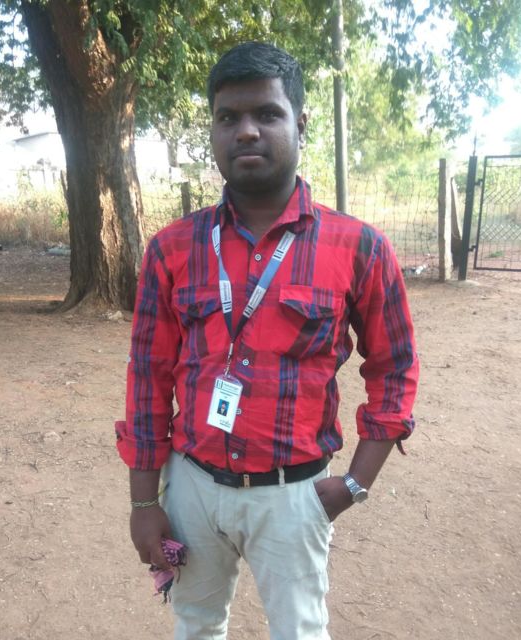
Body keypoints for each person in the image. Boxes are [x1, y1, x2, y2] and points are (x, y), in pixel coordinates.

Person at [115, 41, 419, 640]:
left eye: (267, 114)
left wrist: (354, 484)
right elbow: (147, 377)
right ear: (213, 130)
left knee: (299, 632)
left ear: (300, 123)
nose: (247, 131)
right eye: (228, 117)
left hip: (294, 493)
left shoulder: (359, 247)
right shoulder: (172, 248)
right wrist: (145, 503)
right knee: (196, 624)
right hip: (192, 486)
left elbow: (395, 366)